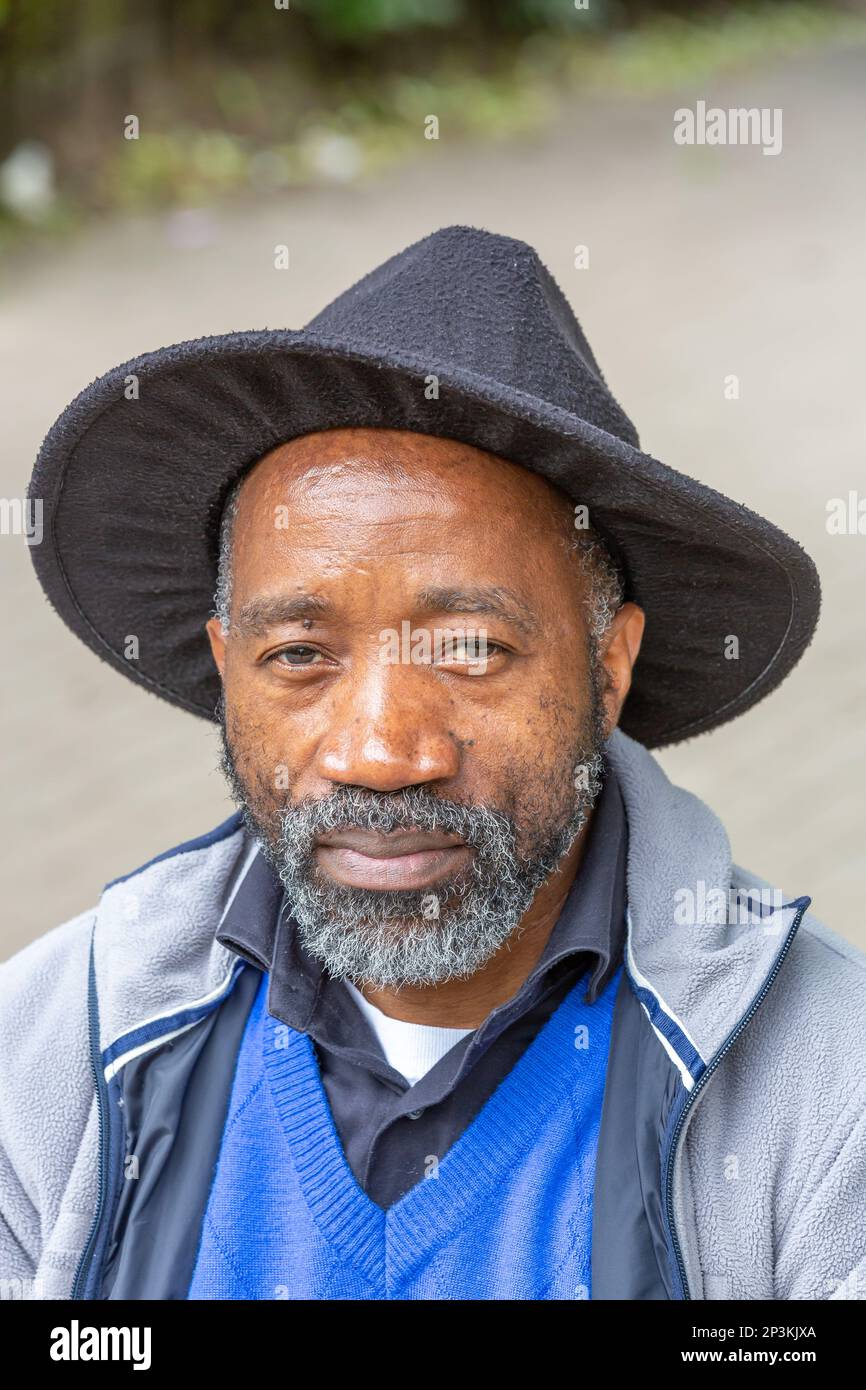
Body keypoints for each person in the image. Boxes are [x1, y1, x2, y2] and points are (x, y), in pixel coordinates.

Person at [2, 225, 864, 1301]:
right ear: (226, 670)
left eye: (468, 649)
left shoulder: (829, 1094)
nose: (379, 751)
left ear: (608, 668)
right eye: (299, 655)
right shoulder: (42, 1062)